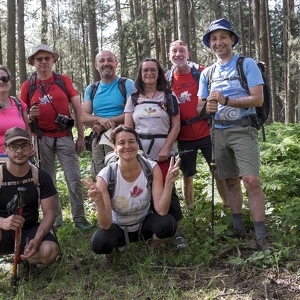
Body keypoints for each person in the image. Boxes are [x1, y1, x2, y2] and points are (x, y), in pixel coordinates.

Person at [197, 18, 267, 250]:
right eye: (214, 39)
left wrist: (227, 100)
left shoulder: (246, 65)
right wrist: (206, 106)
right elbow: (199, 106)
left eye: (223, 37)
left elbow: (258, 99)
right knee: (230, 181)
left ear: (232, 40)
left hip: (243, 129)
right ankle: (238, 230)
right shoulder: (207, 73)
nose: (218, 42)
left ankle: (261, 237)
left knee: (251, 180)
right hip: (218, 132)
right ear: (210, 44)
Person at [19, 44, 92, 230]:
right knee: (48, 181)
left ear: (53, 60)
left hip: (65, 136)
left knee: (74, 177)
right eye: (39, 59)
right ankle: (56, 220)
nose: (43, 62)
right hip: (41, 138)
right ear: (33, 62)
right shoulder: (28, 85)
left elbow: (77, 109)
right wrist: (31, 116)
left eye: (47, 58)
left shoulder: (63, 80)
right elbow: (22, 117)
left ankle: (79, 217)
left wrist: (81, 136)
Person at [81, 125, 179, 258]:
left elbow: (161, 210)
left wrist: (168, 183)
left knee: (169, 224)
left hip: (144, 223)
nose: (127, 146)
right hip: (118, 227)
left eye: (131, 141)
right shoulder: (105, 176)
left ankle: (150, 247)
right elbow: (106, 224)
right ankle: (113, 254)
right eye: (121, 143)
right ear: (115, 148)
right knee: (99, 242)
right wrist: (99, 201)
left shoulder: (151, 168)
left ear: (137, 144)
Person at [124, 58, 186, 250]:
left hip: (164, 154)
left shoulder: (168, 96)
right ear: (140, 74)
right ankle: (151, 230)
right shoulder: (133, 98)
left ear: (159, 73)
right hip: (141, 155)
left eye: (153, 70)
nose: (149, 73)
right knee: (144, 191)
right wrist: (132, 152)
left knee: (169, 191)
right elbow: (128, 127)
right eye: (145, 71)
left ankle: (178, 232)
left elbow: (176, 125)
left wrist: (166, 148)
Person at [167, 40, 228, 209]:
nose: (178, 54)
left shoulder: (201, 72)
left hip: (207, 132)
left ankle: (227, 206)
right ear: (169, 55)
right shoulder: (167, 79)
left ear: (188, 54)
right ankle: (190, 209)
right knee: (187, 174)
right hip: (184, 136)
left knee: (218, 172)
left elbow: (224, 74)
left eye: (181, 50)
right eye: (174, 51)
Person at [0, 127, 58, 265]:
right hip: (2, 231)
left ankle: (25, 257)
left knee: (49, 251)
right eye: (13, 146)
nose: (19, 151)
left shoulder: (41, 176)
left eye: (24, 145)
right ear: (5, 149)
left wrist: (37, 239)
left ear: (31, 148)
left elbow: (50, 213)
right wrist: (2, 222)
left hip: (29, 230)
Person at [81, 50, 135, 177]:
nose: (106, 63)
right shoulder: (91, 89)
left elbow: (132, 112)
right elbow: (83, 116)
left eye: (110, 60)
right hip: (98, 138)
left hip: (121, 138)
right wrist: (101, 121)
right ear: (96, 66)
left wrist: (104, 122)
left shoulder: (127, 84)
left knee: (122, 175)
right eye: (102, 61)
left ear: (116, 64)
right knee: (101, 176)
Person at [0, 65, 31, 163]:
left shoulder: (19, 104)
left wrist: (29, 147)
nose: (1, 82)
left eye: (4, 79)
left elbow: (27, 128)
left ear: (10, 83)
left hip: (21, 157)